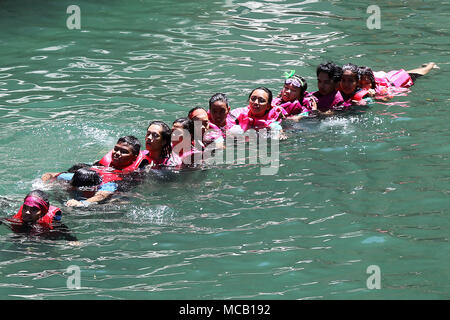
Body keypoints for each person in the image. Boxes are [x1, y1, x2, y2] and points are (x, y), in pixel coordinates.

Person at [1, 190, 77, 241]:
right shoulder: (17, 218)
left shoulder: (53, 222)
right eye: (25, 208)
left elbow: (68, 234)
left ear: (42, 213)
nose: (27, 212)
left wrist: (73, 241)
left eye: (34, 210)